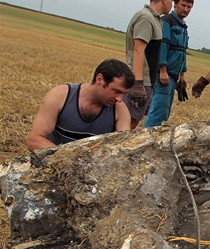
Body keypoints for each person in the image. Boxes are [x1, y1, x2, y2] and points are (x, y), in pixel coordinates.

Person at [26, 59, 135, 151]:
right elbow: (34, 140)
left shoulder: (120, 111)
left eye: (124, 94)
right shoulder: (59, 96)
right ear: (99, 79)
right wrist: (67, 159)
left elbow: (123, 150)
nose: (120, 99)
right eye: (116, 91)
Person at [124, 0, 173, 129]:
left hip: (147, 80)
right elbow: (138, 50)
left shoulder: (155, 19)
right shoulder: (145, 18)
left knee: (133, 121)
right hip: (141, 79)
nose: (172, 4)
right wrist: (137, 83)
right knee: (127, 121)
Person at [144, 0, 194, 128]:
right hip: (164, 76)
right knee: (158, 112)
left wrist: (182, 75)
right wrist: (162, 70)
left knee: (164, 112)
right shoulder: (167, 21)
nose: (186, 9)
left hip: (173, 76)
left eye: (189, 7)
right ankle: (148, 139)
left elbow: (182, 53)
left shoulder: (183, 27)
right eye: (183, 5)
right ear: (175, 4)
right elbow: (162, 47)